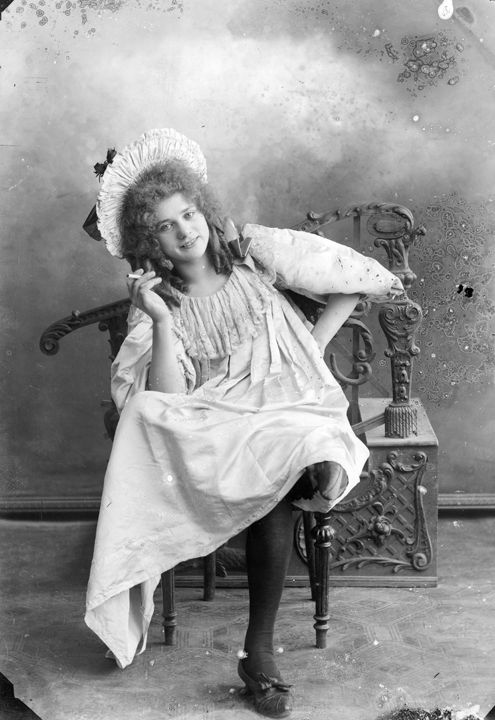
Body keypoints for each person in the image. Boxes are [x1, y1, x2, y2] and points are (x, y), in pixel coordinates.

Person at [85, 128, 404, 718]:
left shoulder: (252, 254)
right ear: (149, 241)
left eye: (188, 214)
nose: (185, 231)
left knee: (293, 453)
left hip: (289, 404)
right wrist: (160, 320)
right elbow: (168, 401)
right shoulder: (162, 303)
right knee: (274, 466)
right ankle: (259, 651)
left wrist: (309, 347)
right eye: (166, 226)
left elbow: (350, 278)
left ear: (203, 209)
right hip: (219, 421)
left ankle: (261, 640)